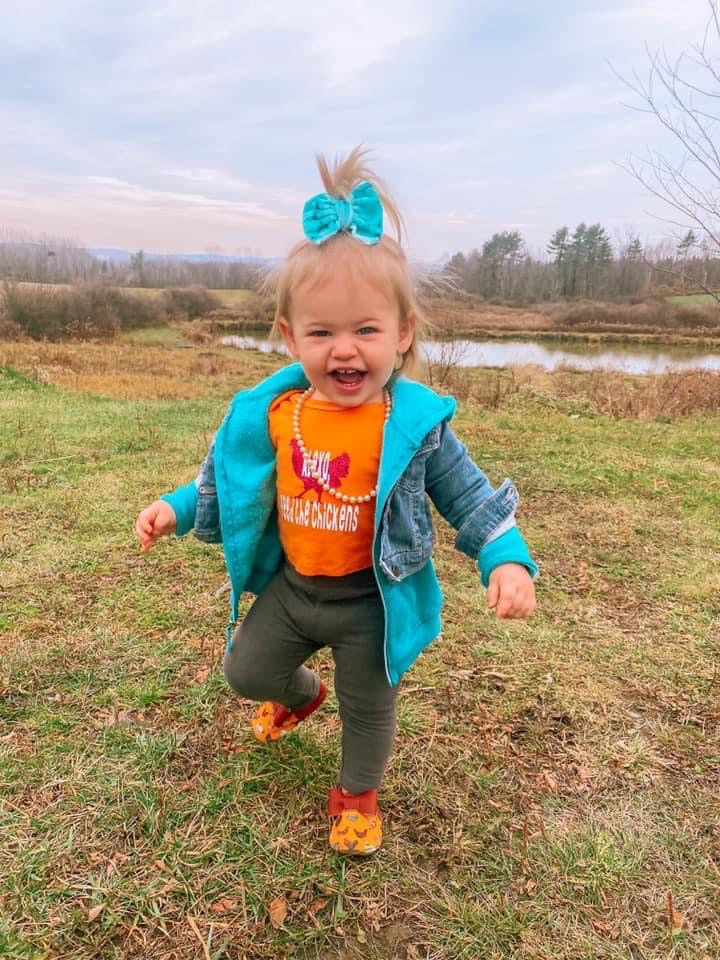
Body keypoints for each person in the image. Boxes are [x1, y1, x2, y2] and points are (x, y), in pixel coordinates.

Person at [135, 147, 537, 856]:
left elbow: (470, 497)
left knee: (370, 706)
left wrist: (506, 558)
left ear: (402, 335)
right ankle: (299, 697)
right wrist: (176, 509)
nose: (344, 350)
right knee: (244, 671)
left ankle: (357, 796)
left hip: (370, 604)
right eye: (322, 332)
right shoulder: (275, 411)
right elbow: (224, 481)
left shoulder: (412, 426)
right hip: (294, 588)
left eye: (366, 330)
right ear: (291, 336)